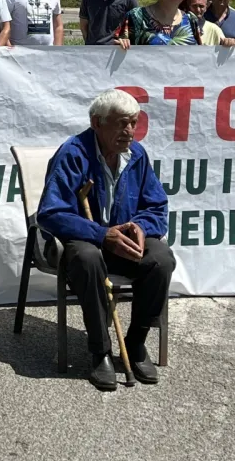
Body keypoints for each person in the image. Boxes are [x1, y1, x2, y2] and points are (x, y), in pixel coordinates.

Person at [37, 89, 175, 391]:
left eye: (134, 123)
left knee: (161, 258)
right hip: (81, 242)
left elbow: (156, 206)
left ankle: (136, 342)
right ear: (97, 123)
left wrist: (140, 225)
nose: (129, 131)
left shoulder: (136, 154)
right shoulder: (73, 153)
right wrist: (102, 235)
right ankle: (100, 351)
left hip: (120, 242)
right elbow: (50, 213)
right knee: (88, 258)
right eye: (122, 123)